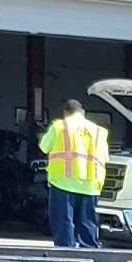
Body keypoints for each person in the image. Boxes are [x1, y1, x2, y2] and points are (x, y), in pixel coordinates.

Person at [37, 98, 109, 250]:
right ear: (83, 113)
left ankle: (66, 252)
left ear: (65, 113)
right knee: (87, 221)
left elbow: (44, 147)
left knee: (63, 219)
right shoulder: (98, 131)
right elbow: (105, 156)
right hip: (90, 183)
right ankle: (90, 251)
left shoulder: (59, 126)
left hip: (63, 181)